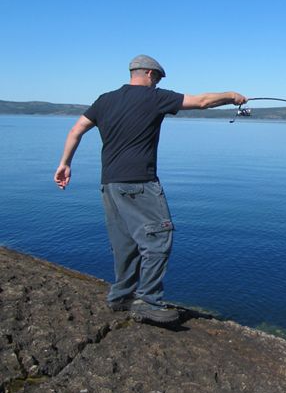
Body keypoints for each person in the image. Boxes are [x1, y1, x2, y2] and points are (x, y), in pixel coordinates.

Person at [54, 55, 247, 324]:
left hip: (110, 184)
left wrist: (65, 164)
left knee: (125, 244)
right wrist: (231, 95)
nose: (157, 82)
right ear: (147, 73)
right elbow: (202, 102)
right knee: (158, 239)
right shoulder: (154, 97)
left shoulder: (104, 99)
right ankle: (148, 300)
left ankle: (121, 297)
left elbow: (76, 130)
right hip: (139, 183)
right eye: (156, 77)